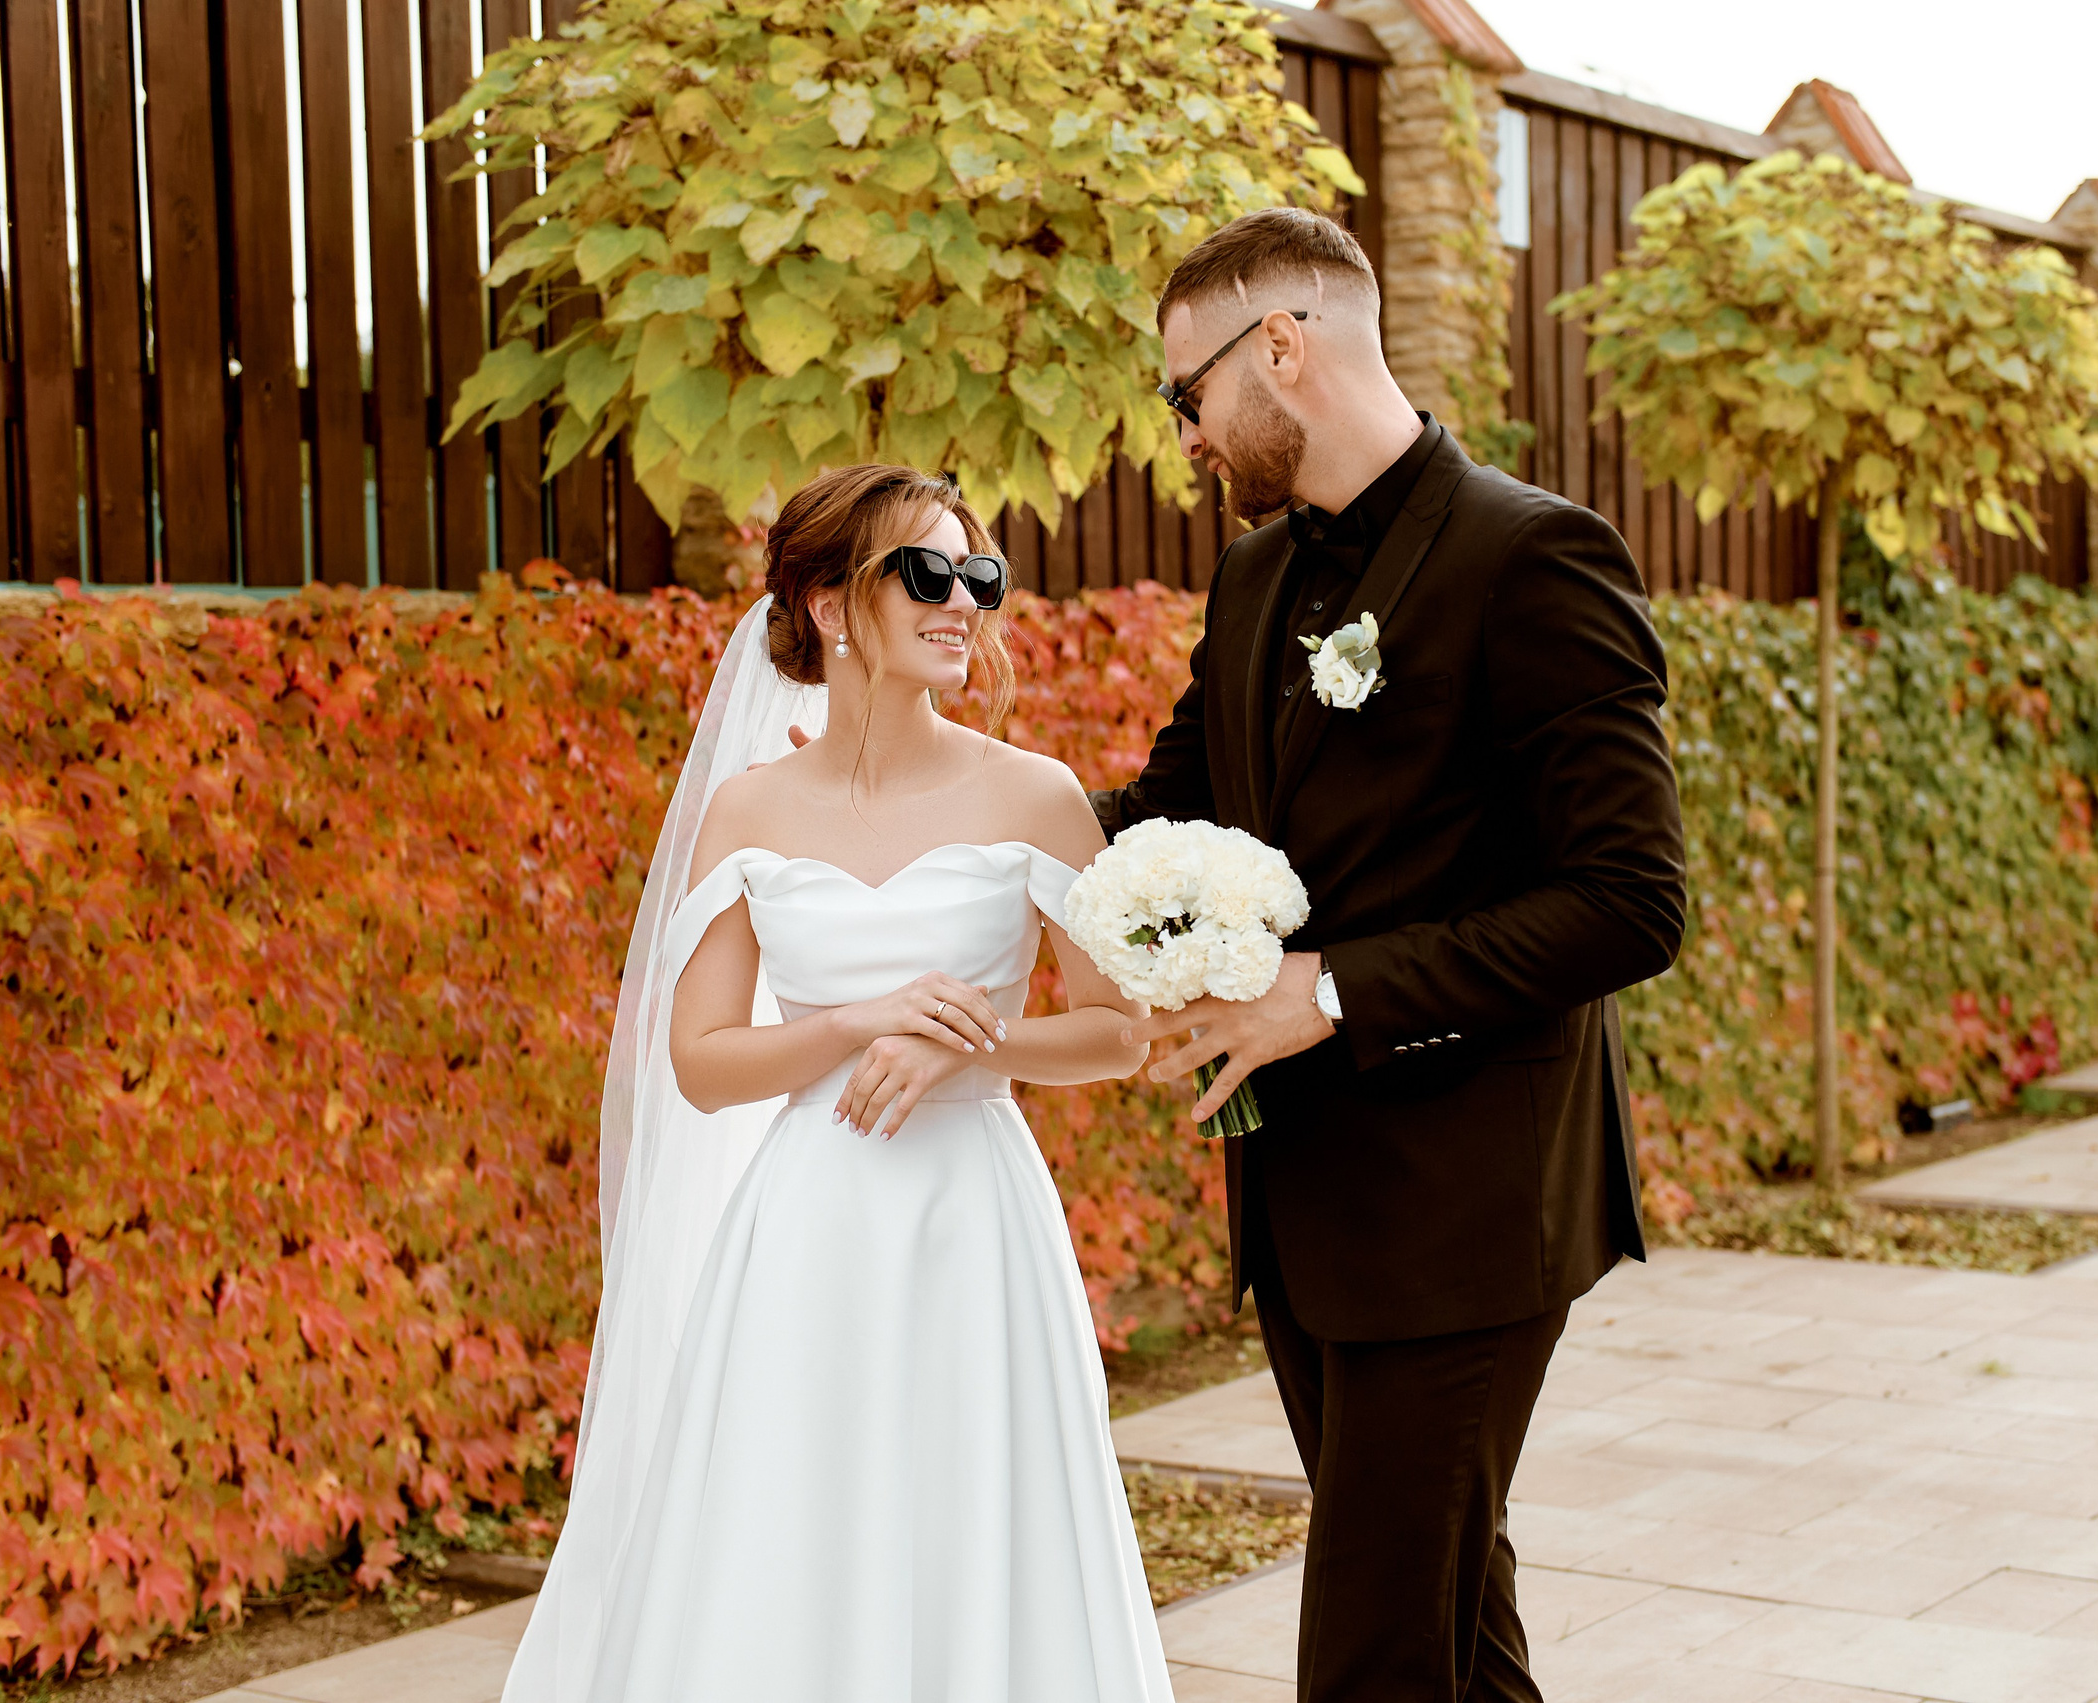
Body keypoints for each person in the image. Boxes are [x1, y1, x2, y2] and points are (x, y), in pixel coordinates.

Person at [1089, 207, 1688, 1701]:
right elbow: (1162, 805)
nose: (1189, 437)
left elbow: (1630, 898)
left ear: (1280, 349)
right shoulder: (1248, 580)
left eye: (1190, 394)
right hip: (1310, 1211)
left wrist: (1330, 990)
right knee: (1448, 1632)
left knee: (1368, 1656)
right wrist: (928, 809)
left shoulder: (1532, 555)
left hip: (1472, 1210)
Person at [504, 465, 1175, 1702]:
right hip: (807, 1221)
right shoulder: (748, 809)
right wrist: (856, 1022)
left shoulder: (1031, 790)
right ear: (826, 604)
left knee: (978, 1512)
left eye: (981, 575)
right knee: (795, 1519)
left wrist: (966, 1042)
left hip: (974, 1218)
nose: (964, 600)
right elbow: (702, 1063)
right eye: (928, 572)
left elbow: (1116, 1030)